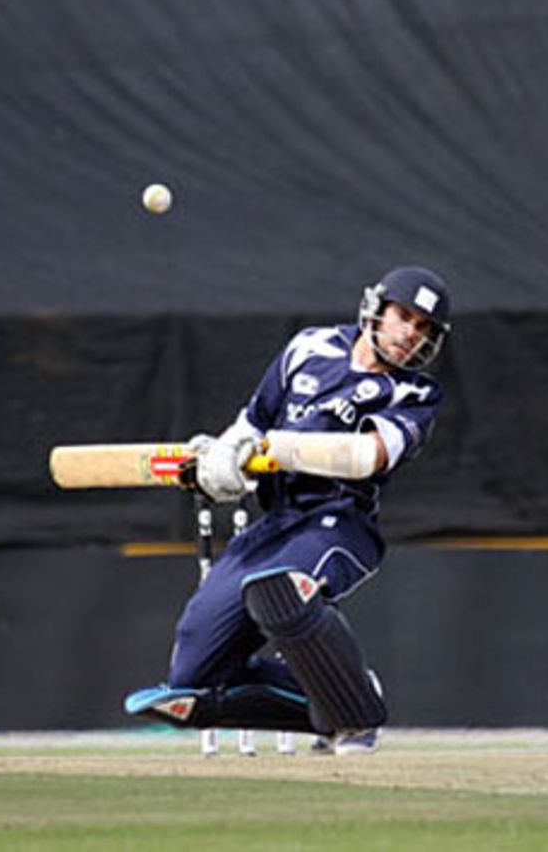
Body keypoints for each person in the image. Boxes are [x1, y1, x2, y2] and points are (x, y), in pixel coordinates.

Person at [125, 266, 451, 753]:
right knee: (192, 677)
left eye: (424, 327)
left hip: (338, 522)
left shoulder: (414, 393)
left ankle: (357, 719)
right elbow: (249, 425)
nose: (410, 333)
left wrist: (275, 447)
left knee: (280, 589)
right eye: (404, 316)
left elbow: (365, 457)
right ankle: (340, 697)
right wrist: (221, 462)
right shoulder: (309, 347)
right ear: (376, 308)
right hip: (275, 521)